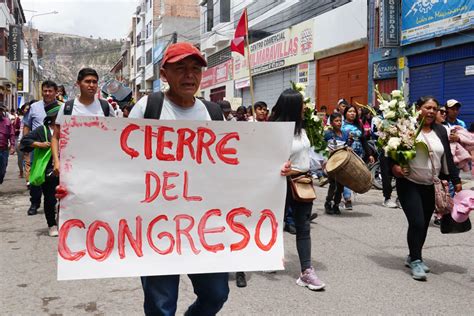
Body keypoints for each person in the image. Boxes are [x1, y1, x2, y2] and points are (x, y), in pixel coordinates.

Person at [126, 42, 230, 315]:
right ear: (164, 74)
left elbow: (236, 167)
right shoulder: (148, 108)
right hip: (155, 227)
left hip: (204, 227)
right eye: (181, 68)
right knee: (161, 307)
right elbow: (118, 162)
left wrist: (272, 171)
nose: (189, 75)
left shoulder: (214, 113)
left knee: (217, 294)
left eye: (195, 69)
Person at [391, 96, 461, 281]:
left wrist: (456, 180)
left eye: (434, 108)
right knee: (417, 222)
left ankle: (413, 255)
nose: (431, 111)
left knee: (423, 225)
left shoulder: (440, 130)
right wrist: (394, 167)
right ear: (418, 108)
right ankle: (416, 260)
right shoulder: (407, 127)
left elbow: (447, 156)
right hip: (409, 183)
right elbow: (388, 152)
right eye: (427, 107)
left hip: (431, 185)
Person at [270, 88, 326, 291]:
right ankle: (266, 257)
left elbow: (307, 154)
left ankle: (306, 271)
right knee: (273, 224)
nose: (305, 107)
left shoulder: (301, 129)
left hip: (302, 183)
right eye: (302, 104)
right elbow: (266, 159)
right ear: (293, 107)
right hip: (280, 185)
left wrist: (322, 163)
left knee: (303, 227)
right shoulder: (275, 130)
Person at [52, 68, 115, 176]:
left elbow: (115, 135)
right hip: (72, 166)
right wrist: (57, 161)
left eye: (94, 82)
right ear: (78, 84)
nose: (91, 85)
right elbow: (55, 137)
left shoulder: (106, 107)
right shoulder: (67, 107)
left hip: (101, 166)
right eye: (87, 81)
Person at [20, 103, 61, 237]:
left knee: (66, 198)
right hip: (48, 169)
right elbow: (25, 141)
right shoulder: (42, 130)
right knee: (50, 198)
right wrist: (40, 144)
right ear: (52, 116)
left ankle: (62, 221)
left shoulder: (69, 127)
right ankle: (52, 224)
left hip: (66, 168)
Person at [23, 81, 61, 215]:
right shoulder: (34, 107)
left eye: (50, 91)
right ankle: (34, 203)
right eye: (45, 90)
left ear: (56, 92)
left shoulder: (61, 107)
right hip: (38, 148)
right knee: (36, 176)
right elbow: (27, 125)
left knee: (55, 178)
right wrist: (28, 148)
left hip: (56, 149)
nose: (47, 93)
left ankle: (54, 204)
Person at [341, 105, 374, 210]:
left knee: (354, 175)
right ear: (345, 113)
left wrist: (370, 154)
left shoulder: (359, 124)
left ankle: (346, 195)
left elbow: (364, 140)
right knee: (347, 175)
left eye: (354, 112)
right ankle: (347, 199)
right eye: (350, 111)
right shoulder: (340, 125)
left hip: (359, 153)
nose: (352, 113)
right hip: (346, 153)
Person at [323, 112, 349, 215]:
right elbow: (321, 147)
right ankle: (328, 202)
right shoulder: (328, 134)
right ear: (331, 122)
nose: (339, 123)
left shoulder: (345, 134)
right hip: (331, 163)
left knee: (341, 185)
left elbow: (347, 145)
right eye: (336, 121)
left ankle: (336, 204)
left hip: (342, 164)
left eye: (340, 121)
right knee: (333, 184)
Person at [0, 103, 15, 184]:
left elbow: (12, 134)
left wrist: (12, 146)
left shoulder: (7, 121)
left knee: (2, 170)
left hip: (3, 150)